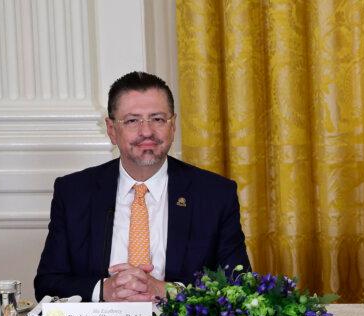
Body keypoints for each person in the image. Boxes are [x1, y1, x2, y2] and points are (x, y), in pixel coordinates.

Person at [35, 71, 250, 302]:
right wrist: (104, 290)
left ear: (173, 125)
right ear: (111, 129)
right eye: (132, 120)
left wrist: (164, 290)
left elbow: (238, 287)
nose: (146, 132)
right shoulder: (74, 192)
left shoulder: (215, 194)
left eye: (157, 119)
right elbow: (47, 284)